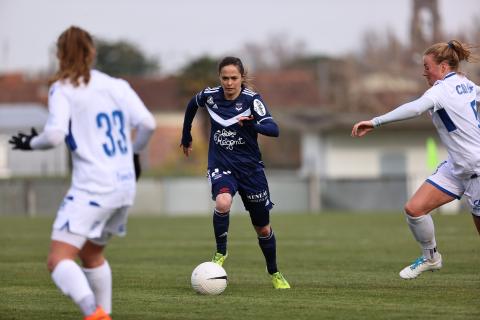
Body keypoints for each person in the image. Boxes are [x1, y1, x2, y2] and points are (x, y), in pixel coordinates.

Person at [9, 26, 156, 319]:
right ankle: (104, 315)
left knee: (57, 260)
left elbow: (53, 136)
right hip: (124, 187)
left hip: (93, 187)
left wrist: (30, 143)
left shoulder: (63, 88)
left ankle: (93, 311)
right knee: (91, 254)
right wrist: (133, 152)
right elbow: (148, 124)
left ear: (59, 55)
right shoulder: (117, 86)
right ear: (91, 52)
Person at [351, 40, 480, 279]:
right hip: (457, 167)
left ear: (443, 67)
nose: (424, 72)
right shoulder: (467, 84)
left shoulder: (441, 90)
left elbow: (415, 108)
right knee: (414, 209)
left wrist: (376, 121)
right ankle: (431, 258)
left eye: (427, 67)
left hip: (476, 169)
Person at [180, 56, 290, 289]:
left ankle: (274, 272)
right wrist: (186, 135)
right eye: (225, 78)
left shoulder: (252, 100)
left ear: (241, 78)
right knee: (222, 202)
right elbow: (192, 104)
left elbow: (274, 129)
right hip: (222, 164)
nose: (229, 83)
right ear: (219, 78)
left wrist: (253, 124)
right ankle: (221, 252)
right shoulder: (210, 96)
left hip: (251, 170)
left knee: (262, 227)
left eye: (234, 78)